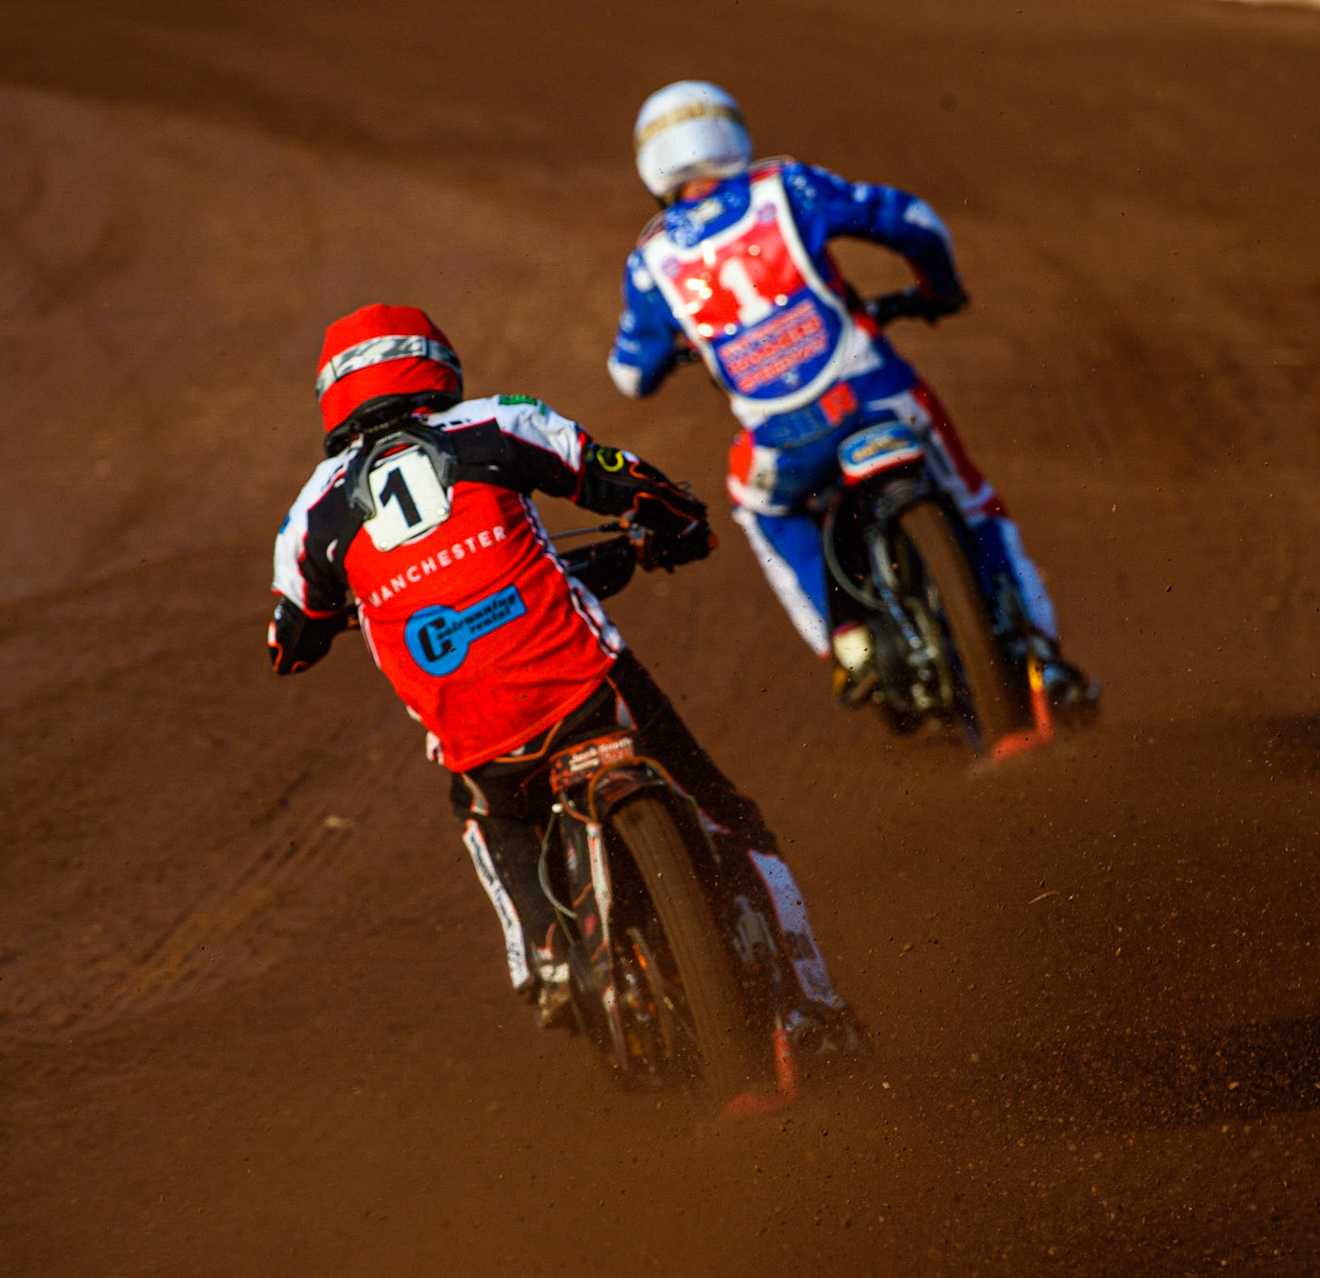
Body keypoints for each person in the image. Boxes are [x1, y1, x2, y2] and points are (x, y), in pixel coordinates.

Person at [268, 303, 854, 1045]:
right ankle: (819, 1009)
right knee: (734, 822)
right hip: (585, 687)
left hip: (479, 733)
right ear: (433, 365)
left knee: (485, 805)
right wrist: (681, 521)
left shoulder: (311, 514)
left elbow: (287, 642)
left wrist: (341, 613)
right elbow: (619, 477)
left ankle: (539, 954)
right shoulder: (494, 423)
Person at [607, 81, 1097, 716]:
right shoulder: (786, 188)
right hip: (880, 397)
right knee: (975, 504)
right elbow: (913, 222)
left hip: (787, 444)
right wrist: (938, 289)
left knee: (757, 505)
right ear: (730, 134)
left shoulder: (652, 262)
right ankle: (1043, 654)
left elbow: (630, 374)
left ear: (652, 163)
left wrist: (671, 356)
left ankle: (847, 644)